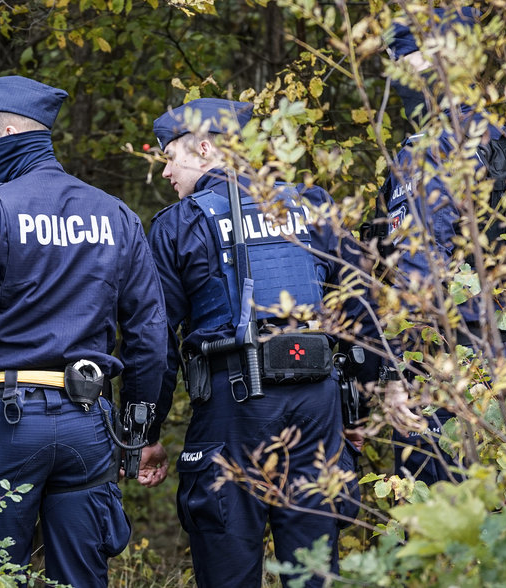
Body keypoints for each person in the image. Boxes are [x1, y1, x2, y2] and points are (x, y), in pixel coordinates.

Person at [0, 75, 169, 586]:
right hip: (91, 426)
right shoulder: (117, 216)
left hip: (4, 425)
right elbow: (150, 337)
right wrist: (138, 431)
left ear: (10, 132)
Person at [145, 98, 379, 588]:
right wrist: (362, 409)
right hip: (317, 405)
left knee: (227, 562)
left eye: (170, 156)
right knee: (314, 568)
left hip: (236, 407)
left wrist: (147, 428)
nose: (166, 171)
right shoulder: (311, 205)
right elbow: (360, 305)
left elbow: (155, 338)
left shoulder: (181, 222)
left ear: (205, 148)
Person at [367, 7, 506, 485]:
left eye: (404, 57)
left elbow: (420, 268)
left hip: (453, 367)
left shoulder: (432, 146)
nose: (396, 74)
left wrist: (401, 369)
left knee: (450, 520)